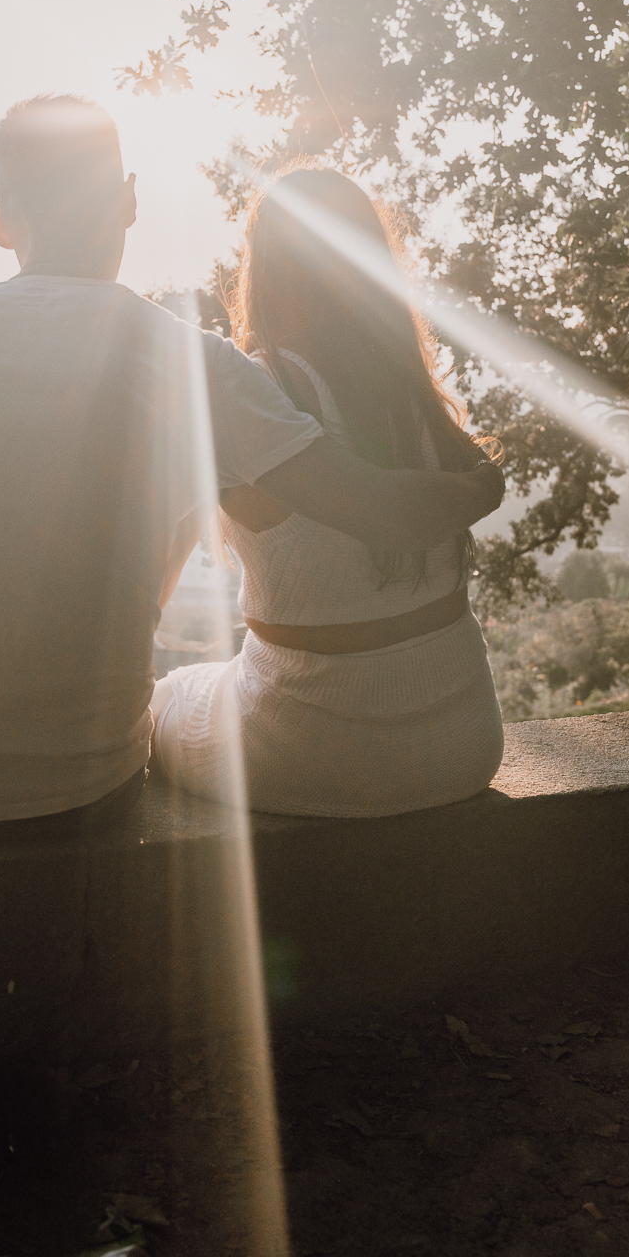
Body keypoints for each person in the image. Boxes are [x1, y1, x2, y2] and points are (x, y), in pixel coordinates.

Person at [0, 100, 505, 842]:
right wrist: (484, 481)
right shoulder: (204, 367)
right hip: (94, 788)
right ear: (127, 201)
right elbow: (367, 506)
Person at [152, 165, 506, 818]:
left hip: (310, 751)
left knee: (163, 697)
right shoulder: (410, 389)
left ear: (262, 268)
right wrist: (488, 482)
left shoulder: (256, 389)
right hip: (465, 744)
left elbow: (154, 554)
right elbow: (477, 478)